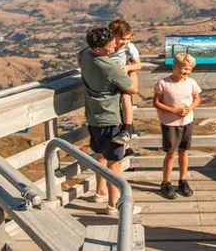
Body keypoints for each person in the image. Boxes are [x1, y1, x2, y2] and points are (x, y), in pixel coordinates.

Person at [80, 26, 143, 217]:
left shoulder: (86, 56)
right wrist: (133, 69)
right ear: (98, 49)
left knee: (101, 155)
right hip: (111, 119)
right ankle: (114, 206)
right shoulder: (109, 67)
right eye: (111, 44)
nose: (115, 44)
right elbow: (132, 89)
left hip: (93, 117)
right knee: (115, 164)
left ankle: (100, 193)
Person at [152, 52, 201, 200]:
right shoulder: (163, 83)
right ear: (174, 67)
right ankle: (166, 183)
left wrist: (190, 108)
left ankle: (183, 180)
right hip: (170, 123)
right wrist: (174, 110)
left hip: (187, 121)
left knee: (184, 151)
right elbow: (156, 102)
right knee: (171, 153)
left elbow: (197, 98)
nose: (186, 72)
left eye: (189, 69)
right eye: (184, 69)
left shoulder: (191, 83)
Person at [107, 18, 142, 147]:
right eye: (122, 39)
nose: (125, 42)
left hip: (122, 77)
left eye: (128, 39)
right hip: (109, 79)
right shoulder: (107, 47)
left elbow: (138, 65)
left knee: (126, 96)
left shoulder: (129, 48)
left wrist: (127, 68)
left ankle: (127, 128)